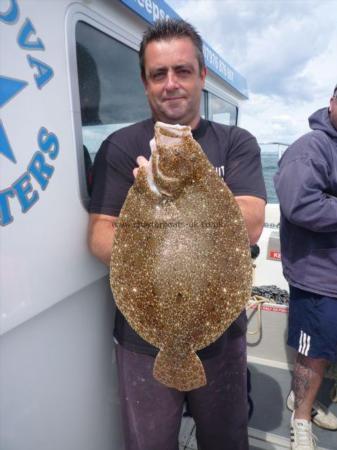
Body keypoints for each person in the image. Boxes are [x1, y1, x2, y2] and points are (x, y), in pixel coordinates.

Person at [88, 19, 266, 450]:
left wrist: (174, 199)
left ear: (201, 76)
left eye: (183, 71)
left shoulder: (235, 142)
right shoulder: (117, 146)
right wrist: (151, 209)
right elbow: (98, 236)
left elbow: (253, 221)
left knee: (226, 441)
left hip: (220, 333)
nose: (171, 84)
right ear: (145, 83)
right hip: (142, 339)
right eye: (158, 74)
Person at [274, 84, 337, 450]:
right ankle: (300, 419)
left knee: (327, 347)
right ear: (331, 103)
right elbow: (300, 203)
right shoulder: (310, 148)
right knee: (311, 353)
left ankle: (313, 402)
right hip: (318, 275)